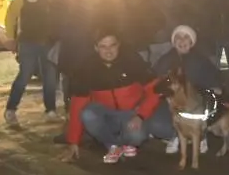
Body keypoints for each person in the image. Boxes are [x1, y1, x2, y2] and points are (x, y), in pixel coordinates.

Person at [59, 30, 161, 164]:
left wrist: (141, 115)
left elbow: (155, 90)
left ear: (119, 45)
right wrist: (73, 142)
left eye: (112, 45)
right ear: (95, 48)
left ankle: (120, 144)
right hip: (106, 116)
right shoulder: (88, 68)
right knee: (87, 114)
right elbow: (77, 104)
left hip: (131, 115)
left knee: (137, 136)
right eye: (103, 46)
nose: (108, 51)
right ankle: (114, 145)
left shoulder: (132, 61)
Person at [4, 0, 62, 125]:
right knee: (25, 75)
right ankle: (10, 110)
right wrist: (10, 37)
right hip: (28, 41)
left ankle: (50, 110)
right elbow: (11, 15)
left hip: (50, 42)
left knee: (50, 77)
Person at [148, 25, 222, 155]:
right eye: (178, 38)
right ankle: (178, 135)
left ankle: (200, 135)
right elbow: (155, 80)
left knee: (200, 111)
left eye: (186, 37)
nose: (182, 41)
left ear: (192, 41)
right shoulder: (166, 59)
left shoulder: (201, 60)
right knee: (156, 124)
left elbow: (213, 81)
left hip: (195, 104)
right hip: (171, 103)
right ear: (173, 41)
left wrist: (214, 88)